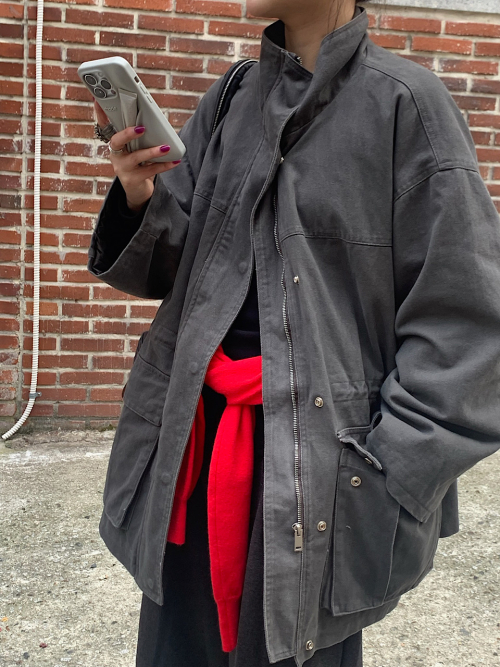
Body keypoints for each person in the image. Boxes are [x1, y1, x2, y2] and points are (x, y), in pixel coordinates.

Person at [88, 1, 500, 666]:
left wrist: (387, 477)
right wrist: (140, 193)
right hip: (193, 451)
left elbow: (469, 325)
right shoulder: (232, 97)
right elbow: (168, 268)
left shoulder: (407, 104)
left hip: (320, 475)